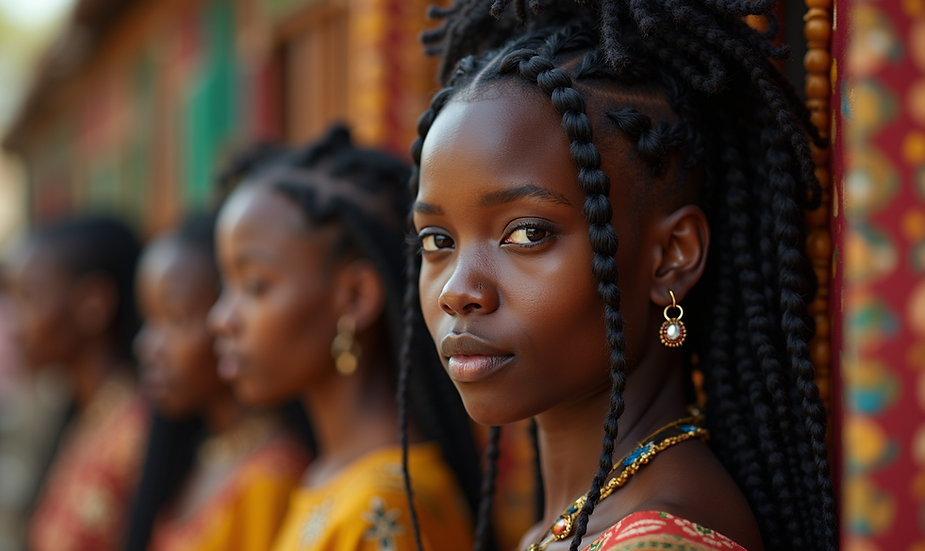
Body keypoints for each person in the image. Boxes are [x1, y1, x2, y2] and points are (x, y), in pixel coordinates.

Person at [401, 1, 837, 550]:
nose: (457, 291)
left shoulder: (661, 541)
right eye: (437, 241)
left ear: (671, 255)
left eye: (527, 233)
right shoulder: (573, 524)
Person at [208, 126, 483, 551]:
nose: (220, 319)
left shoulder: (382, 507)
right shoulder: (333, 478)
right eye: (225, 287)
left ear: (355, 297)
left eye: (255, 286)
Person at [125, 212, 311, 551]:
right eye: (148, 320)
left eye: (175, 320)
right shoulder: (200, 451)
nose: (147, 346)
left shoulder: (271, 477)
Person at [4, 214, 150, 551]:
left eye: (28, 297)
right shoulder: (87, 416)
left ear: (93, 303)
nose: (13, 325)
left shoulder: (136, 432)